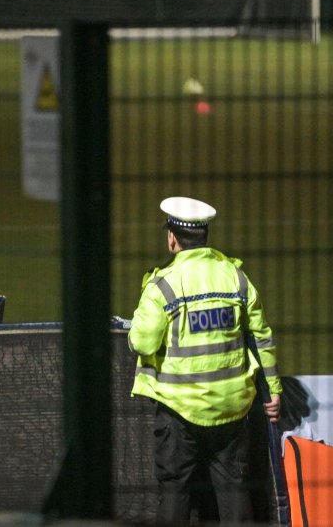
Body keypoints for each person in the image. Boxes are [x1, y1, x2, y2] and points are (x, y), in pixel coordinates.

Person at [127, 196, 282, 526]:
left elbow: (141, 341)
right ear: (205, 236)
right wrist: (273, 391)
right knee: (234, 490)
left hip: (178, 409)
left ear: (172, 238)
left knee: (174, 490)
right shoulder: (236, 278)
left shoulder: (164, 285)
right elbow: (261, 337)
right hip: (232, 408)